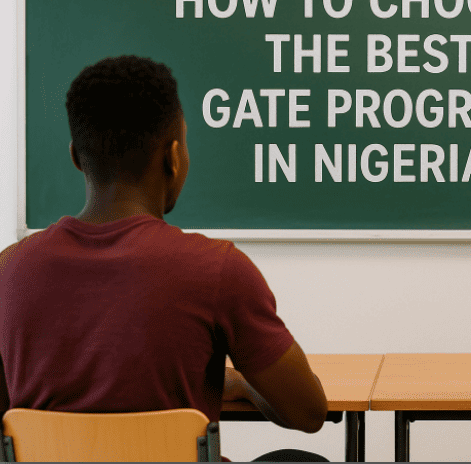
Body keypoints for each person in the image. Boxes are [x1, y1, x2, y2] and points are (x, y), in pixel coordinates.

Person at [0, 55, 330, 462]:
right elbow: (308, 411)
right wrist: (244, 383)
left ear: (76, 156)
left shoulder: (9, 271)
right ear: (173, 157)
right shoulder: (217, 269)